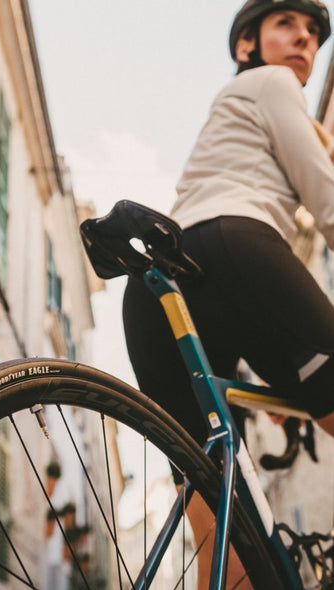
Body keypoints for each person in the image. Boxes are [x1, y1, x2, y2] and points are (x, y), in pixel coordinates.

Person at [122, 0, 334, 586]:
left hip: (158, 285)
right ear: (247, 45)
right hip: (234, 246)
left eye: (313, 32)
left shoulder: (236, 110)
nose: (304, 38)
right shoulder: (272, 83)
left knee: (219, 531)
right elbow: (326, 199)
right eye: (286, 24)